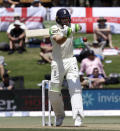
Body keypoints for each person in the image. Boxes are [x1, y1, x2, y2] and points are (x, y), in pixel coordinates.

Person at [48, 8, 84, 127]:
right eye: (63, 18)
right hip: (57, 63)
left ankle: (78, 116)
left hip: (71, 61)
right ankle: (59, 115)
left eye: (67, 18)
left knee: (75, 88)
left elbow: (80, 27)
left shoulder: (70, 26)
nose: (65, 20)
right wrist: (67, 32)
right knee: (53, 92)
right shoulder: (53, 28)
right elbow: (59, 41)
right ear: (58, 19)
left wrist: (76, 27)